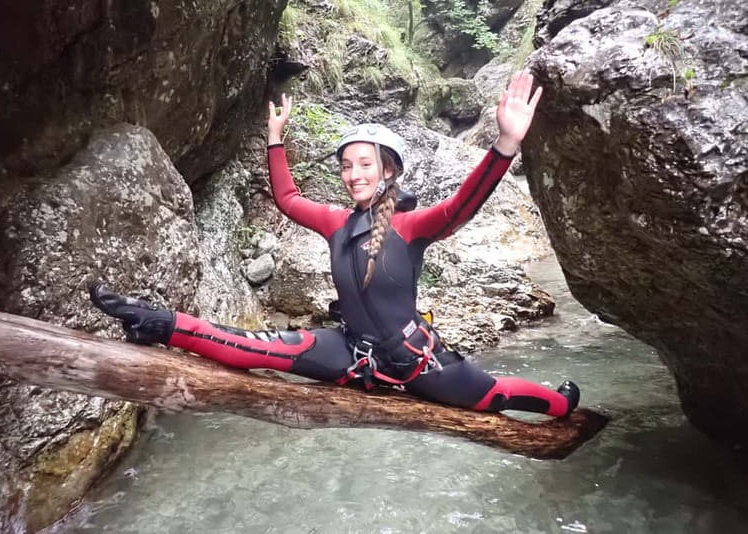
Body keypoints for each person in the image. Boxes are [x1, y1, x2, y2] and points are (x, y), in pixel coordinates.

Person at [90, 70, 580, 417]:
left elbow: (461, 207)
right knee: (253, 345)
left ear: (388, 170)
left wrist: (506, 145)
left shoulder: (411, 226)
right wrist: (275, 139)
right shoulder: (335, 222)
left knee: (494, 396)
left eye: (365, 164)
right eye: (346, 166)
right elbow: (285, 197)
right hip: (350, 353)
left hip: (418, 363)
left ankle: (560, 403)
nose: (353, 174)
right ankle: (154, 322)